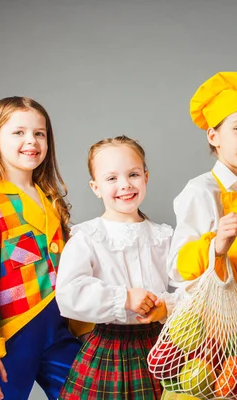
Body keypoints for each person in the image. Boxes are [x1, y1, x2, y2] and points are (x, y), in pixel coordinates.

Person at [0, 96, 91, 400]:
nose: (32, 141)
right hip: (13, 334)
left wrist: (84, 327)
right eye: (19, 132)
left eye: (39, 133)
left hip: (60, 327)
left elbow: (68, 270)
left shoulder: (51, 200)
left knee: (87, 393)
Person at [166, 71, 237, 399]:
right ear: (213, 136)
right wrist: (215, 244)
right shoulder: (201, 191)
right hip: (211, 334)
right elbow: (177, 267)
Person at [57, 136, 177, 400]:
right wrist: (124, 298)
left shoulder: (164, 237)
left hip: (160, 345)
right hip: (108, 349)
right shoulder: (87, 236)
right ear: (95, 187)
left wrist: (166, 305)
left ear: (146, 177)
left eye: (133, 174)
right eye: (111, 178)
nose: (125, 185)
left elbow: (190, 287)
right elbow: (68, 295)